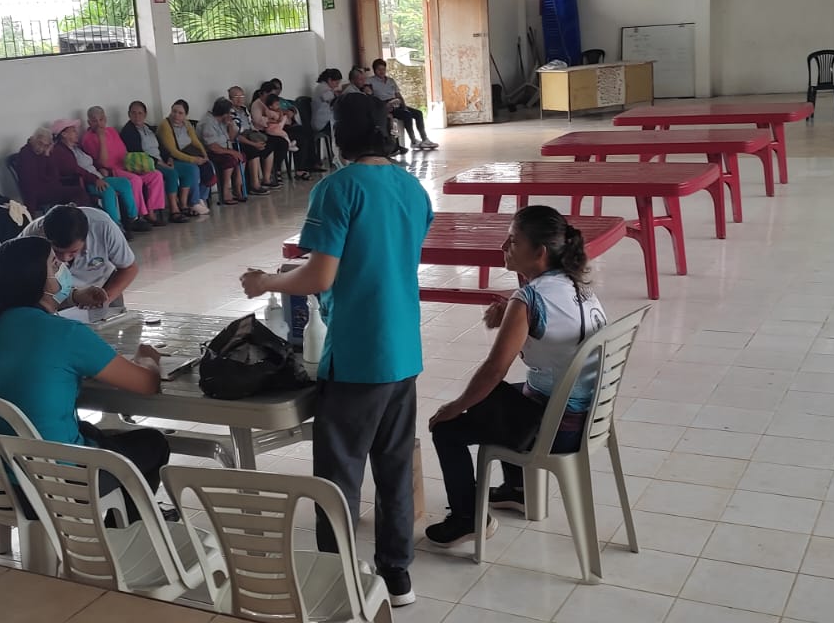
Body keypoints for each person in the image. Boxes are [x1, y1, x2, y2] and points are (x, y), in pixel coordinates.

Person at [238, 101, 432, 609]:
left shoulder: (338, 188)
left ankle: (337, 575)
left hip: (358, 351)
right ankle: (397, 575)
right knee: (393, 468)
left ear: (341, 136)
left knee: (338, 475)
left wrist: (266, 282)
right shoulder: (411, 187)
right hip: (402, 348)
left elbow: (320, 276)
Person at [424, 206, 608, 547]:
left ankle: (467, 519)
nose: (503, 247)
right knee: (510, 396)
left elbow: (494, 369)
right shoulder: (577, 284)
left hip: (556, 429)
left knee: (448, 429)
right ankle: (517, 489)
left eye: (513, 241)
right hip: (590, 415)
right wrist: (510, 310)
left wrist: (454, 406)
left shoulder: (529, 300)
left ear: (539, 253)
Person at [0, 236, 170, 521]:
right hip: (59, 483)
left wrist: (73, 299)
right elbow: (146, 384)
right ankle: (124, 529)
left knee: (95, 433)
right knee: (153, 443)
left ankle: (118, 521)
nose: (63, 267)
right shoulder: (66, 333)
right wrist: (148, 357)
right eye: (54, 264)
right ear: (40, 281)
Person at [41, 119, 148, 234]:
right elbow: (76, 170)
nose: (77, 133)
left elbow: (90, 161)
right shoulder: (60, 151)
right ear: (64, 134)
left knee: (124, 183)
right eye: (73, 131)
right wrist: (95, 179)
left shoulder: (77, 148)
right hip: (87, 181)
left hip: (97, 177)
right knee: (107, 190)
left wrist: (101, 168)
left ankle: (133, 218)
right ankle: (115, 226)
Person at [20, 205, 137, 309]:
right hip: (54, 294)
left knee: (113, 323)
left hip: (103, 286)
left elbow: (129, 268)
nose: (65, 258)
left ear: (86, 237)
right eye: (56, 252)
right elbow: (27, 287)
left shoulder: (102, 226)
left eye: (73, 252)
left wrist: (104, 300)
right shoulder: (30, 239)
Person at [82, 106, 169, 228]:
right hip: (112, 170)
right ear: (89, 122)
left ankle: (151, 212)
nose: (99, 124)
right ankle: (139, 215)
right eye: (94, 121)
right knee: (135, 180)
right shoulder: (88, 138)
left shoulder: (111, 131)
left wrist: (135, 164)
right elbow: (102, 163)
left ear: (105, 119)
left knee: (156, 175)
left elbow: (124, 152)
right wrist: (101, 138)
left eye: (101, 119)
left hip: (126, 165)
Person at [119, 101, 195, 223]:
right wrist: (159, 163)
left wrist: (169, 158)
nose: (137, 116)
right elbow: (138, 153)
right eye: (133, 113)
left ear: (145, 114)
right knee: (171, 173)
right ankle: (174, 210)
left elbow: (160, 146)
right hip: (147, 164)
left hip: (160, 160)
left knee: (189, 169)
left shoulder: (148, 128)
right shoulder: (128, 131)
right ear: (129, 114)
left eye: (140, 113)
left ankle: (183, 204)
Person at [14, 129, 91, 215]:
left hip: (52, 188)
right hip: (38, 193)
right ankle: (71, 216)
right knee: (77, 193)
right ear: (38, 142)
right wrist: (46, 157)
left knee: (80, 192)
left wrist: (48, 156)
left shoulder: (44, 152)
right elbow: (31, 182)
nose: (45, 148)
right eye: (44, 145)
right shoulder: (26, 153)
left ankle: (75, 216)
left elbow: (54, 175)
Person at [156, 99, 213, 216]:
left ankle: (201, 198)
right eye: (174, 111)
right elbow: (173, 151)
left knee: (208, 165)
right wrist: (194, 160)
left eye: (180, 113)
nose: (176, 115)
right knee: (193, 168)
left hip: (188, 154)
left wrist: (204, 155)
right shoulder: (165, 125)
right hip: (172, 158)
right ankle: (194, 202)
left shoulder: (186, 124)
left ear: (185, 115)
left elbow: (195, 141)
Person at [369, 59, 437, 151]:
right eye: (379, 69)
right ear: (374, 70)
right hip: (386, 106)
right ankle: (413, 141)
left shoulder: (391, 81)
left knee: (418, 113)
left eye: (383, 69)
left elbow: (398, 95)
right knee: (407, 115)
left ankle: (425, 139)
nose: (382, 71)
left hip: (397, 103)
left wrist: (404, 106)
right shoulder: (370, 82)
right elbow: (370, 97)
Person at [227, 86, 279, 195]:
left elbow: (251, 125)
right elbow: (235, 134)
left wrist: (257, 135)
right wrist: (254, 144)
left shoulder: (244, 109)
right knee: (253, 150)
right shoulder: (229, 112)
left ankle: (266, 179)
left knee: (269, 145)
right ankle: (255, 185)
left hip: (250, 135)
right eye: (236, 96)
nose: (240, 99)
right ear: (230, 98)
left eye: (242, 96)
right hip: (238, 140)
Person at [198, 98, 247, 206]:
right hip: (210, 152)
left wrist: (230, 125)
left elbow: (231, 138)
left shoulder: (222, 121)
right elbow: (212, 147)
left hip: (225, 149)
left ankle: (237, 188)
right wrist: (232, 152)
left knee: (242, 157)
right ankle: (226, 192)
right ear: (224, 113)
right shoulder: (208, 122)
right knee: (230, 160)